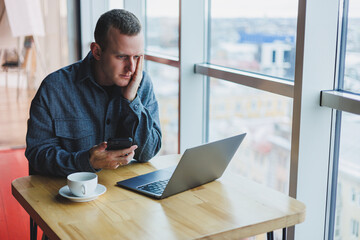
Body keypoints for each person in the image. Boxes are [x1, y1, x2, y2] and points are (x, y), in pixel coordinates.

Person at [25, 9, 162, 177]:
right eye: (122, 57)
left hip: (121, 193)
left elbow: (148, 152)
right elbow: (37, 154)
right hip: (65, 194)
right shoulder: (54, 88)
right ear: (97, 51)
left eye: (137, 57)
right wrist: (86, 162)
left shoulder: (140, 82)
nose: (132, 68)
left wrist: (131, 100)